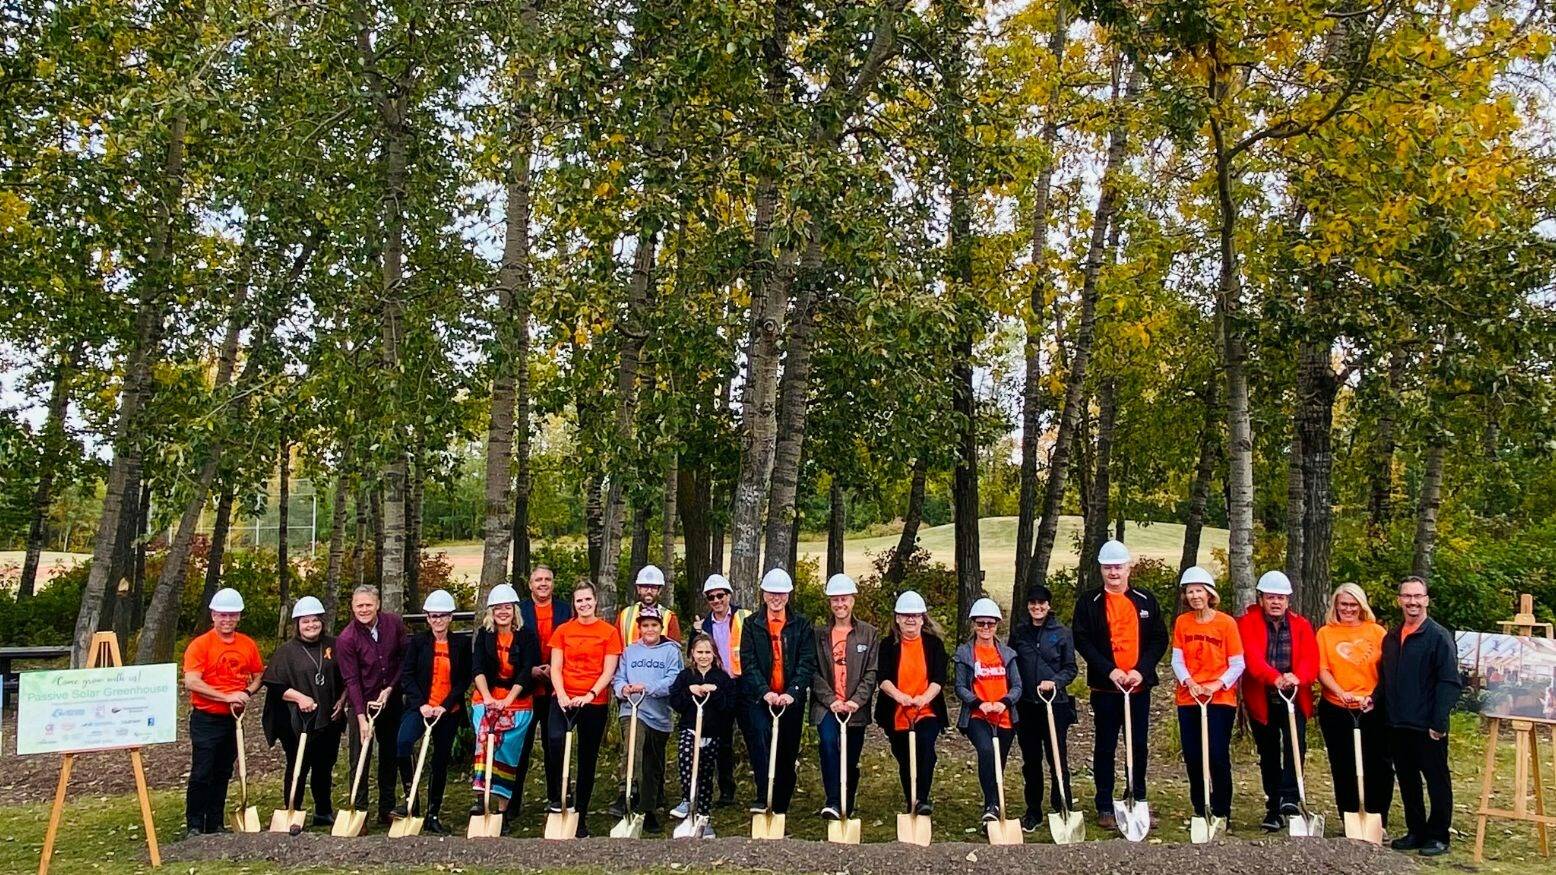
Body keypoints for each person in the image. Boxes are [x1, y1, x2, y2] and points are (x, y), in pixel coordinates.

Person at [1071, 539, 1168, 830]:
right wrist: (1109, 670)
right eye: (1108, 567)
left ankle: (1137, 799)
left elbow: (1159, 639)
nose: (1113, 572)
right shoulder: (1089, 602)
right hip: (1106, 689)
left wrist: (1141, 670)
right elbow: (1082, 640)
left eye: (1118, 567)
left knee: (1137, 745)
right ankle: (1104, 804)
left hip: (1137, 688)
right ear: (1101, 569)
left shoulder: (1145, 599)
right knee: (1105, 746)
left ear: (1128, 568)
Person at [1380, 576, 1461, 857]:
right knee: (1407, 780)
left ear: (1426, 600)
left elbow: (1449, 681)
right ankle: (1416, 830)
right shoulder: (1391, 638)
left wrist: (1439, 722)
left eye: (1417, 596)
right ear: (1399, 600)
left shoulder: (1438, 636)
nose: (1412, 602)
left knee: (1436, 781)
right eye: (1407, 596)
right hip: (1398, 722)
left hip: (1428, 725)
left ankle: (1438, 835)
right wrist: (1375, 703)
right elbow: (1386, 679)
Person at [1238, 570, 1320, 831]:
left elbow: (1311, 659)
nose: (1276, 602)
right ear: (1261, 599)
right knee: (1269, 752)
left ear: (1288, 601)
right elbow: (1251, 658)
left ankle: (1291, 798)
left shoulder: (1301, 625)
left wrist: (1298, 677)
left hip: (1294, 697)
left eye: (1281, 598)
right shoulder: (1247, 624)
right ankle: (1273, 806)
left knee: (1296, 746)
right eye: (1271, 597)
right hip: (1263, 698)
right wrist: (1274, 678)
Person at [183, 587, 264, 837]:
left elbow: (259, 675)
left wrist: (246, 692)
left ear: (238, 617)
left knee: (223, 771)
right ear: (213, 616)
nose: (227, 620)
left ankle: (215, 823)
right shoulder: (201, 645)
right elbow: (192, 681)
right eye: (222, 615)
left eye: (232, 615)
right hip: (206, 718)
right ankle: (194, 824)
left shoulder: (247, 644)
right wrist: (226, 696)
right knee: (202, 771)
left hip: (233, 720)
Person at [547, 580, 624, 837]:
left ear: (595, 601)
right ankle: (561, 796)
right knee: (555, 741)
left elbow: (608, 670)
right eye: (579, 600)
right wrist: (562, 695)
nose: (584, 604)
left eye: (588, 599)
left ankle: (580, 814)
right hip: (564, 698)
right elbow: (556, 667)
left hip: (593, 701)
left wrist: (590, 695)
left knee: (587, 758)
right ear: (574, 603)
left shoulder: (608, 632)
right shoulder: (563, 631)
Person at [261, 596, 345, 829]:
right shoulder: (286, 651)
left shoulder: (334, 645)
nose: (311, 625)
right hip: (295, 720)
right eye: (305, 621)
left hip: (328, 716)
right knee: (298, 765)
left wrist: (342, 700)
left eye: (315, 620)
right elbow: (275, 685)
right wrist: (299, 698)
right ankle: (293, 809)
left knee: (324, 765)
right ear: (297, 624)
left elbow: (348, 676)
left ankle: (323, 811)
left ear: (322, 622)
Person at [739, 567, 816, 819]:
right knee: (761, 742)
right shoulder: (752, 624)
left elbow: (807, 661)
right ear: (763, 594)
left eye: (781, 594)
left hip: (790, 699)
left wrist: (793, 692)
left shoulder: (801, 625)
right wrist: (764, 691)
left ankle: (780, 803)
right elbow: (748, 662)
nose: (776, 598)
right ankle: (764, 795)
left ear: (788, 595)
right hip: (761, 698)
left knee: (787, 750)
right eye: (771, 593)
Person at [1171, 566, 1245, 828]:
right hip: (1189, 697)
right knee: (1193, 755)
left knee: (1216, 754)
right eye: (1190, 592)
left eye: (1199, 591)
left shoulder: (1226, 623)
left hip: (1219, 699)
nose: (1195, 596)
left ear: (1209, 593)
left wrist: (1216, 684)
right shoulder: (1183, 622)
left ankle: (1221, 809)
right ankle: (1200, 807)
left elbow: (1237, 663)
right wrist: (1189, 682)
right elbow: (1177, 659)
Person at [395, 589, 470, 835]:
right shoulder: (417, 643)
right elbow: (407, 676)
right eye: (433, 616)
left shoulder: (461, 644)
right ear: (427, 618)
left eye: (443, 615)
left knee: (440, 760)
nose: (438, 620)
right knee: (403, 743)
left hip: (448, 711)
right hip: (421, 708)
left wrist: (444, 706)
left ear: (451, 617)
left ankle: (433, 813)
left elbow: (463, 680)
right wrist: (422, 705)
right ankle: (410, 799)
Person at [1315, 583, 1392, 825]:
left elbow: (1387, 670)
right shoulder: (1325, 633)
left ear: (1361, 606)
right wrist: (1340, 692)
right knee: (1343, 765)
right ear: (1335, 606)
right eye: (1343, 605)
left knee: (1377, 765)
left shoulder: (1376, 632)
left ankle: (1377, 818)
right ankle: (1349, 817)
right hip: (1337, 708)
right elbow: (1322, 670)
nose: (1348, 609)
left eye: (1353, 604)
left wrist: (1374, 697)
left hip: (1371, 707)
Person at [336, 584, 410, 827]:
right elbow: (351, 680)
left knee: (389, 755)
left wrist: (391, 688)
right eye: (359, 605)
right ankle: (359, 811)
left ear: (377, 604)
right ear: (352, 607)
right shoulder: (347, 638)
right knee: (360, 758)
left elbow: (404, 659)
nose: (364, 609)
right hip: (363, 703)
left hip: (390, 701)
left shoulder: (394, 624)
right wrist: (360, 717)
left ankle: (386, 809)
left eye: (368, 604)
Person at [470, 583, 540, 829]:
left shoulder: (526, 635)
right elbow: (477, 667)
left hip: (517, 699)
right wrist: (488, 698)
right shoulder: (485, 634)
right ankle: (481, 799)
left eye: (507, 607)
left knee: (506, 750)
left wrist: (507, 700)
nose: (503, 612)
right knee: (484, 741)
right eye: (498, 608)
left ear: (514, 610)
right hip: (487, 696)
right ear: (491, 611)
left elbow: (527, 670)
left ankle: (502, 808)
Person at [810, 573, 879, 822]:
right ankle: (832, 800)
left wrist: (855, 701)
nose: (840, 604)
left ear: (852, 600)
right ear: (830, 602)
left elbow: (871, 672)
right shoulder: (818, 634)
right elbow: (813, 671)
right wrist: (831, 700)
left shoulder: (868, 634)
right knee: (829, 745)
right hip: (827, 706)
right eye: (835, 600)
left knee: (850, 756)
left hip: (855, 708)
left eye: (844, 599)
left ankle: (846, 802)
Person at [684, 573, 755, 811]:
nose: (716, 600)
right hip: (718, 686)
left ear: (729, 595)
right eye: (711, 597)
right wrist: (694, 633)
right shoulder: (703, 625)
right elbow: (693, 653)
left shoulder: (744, 617)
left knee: (753, 735)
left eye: (720, 595)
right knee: (722, 741)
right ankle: (726, 791)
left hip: (743, 684)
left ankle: (764, 789)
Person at [1011, 583, 1078, 833]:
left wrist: (1055, 682)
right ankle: (1033, 811)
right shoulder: (1020, 632)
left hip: (1054, 705)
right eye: (1033, 603)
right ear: (1028, 606)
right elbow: (1011, 663)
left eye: (1041, 603)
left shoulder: (1061, 633)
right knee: (1031, 761)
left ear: (1048, 606)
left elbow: (1071, 668)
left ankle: (1062, 804)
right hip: (1027, 705)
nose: (1037, 607)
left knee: (1057, 757)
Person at [610, 607, 683, 833]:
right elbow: (618, 677)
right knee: (634, 748)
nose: (649, 629)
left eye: (654, 625)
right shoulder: (630, 651)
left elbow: (674, 679)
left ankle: (650, 804)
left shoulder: (671, 651)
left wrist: (648, 687)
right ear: (639, 628)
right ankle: (627, 793)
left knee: (653, 762)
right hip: (633, 710)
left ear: (661, 627)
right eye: (645, 625)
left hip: (659, 714)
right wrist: (623, 689)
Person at [875, 590, 948, 816]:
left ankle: (921, 799)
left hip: (926, 709)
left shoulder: (934, 644)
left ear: (923, 619)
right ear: (897, 618)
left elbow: (939, 678)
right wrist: (900, 697)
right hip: (896, 711)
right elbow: (883, 678)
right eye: (905, 615)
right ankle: (912, 800)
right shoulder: (888, 645)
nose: (910, 619)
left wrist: (923, 698)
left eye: (915, 615)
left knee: (926, 750)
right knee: (906, 758)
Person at [956, 598, 1023, 823]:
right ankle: (991, 804)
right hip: (978, 716)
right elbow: (960, 687)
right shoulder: (965, 653)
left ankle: (995, 802)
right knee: (986, 751)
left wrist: (1004, 702)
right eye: (981, 623)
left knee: (998, 760)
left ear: (997, 625)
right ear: (973, 624)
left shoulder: (1007, 654)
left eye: (990, 623)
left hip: (1004, 716)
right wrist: (978, 703)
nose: (985, 627)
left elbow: (1017, 686)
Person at [669, 633, 737, 837]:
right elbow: (676, 702)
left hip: (712, 733)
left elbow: (728, 707)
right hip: (690, 729)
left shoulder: (722, 678)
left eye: (708, 652)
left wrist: (715, 692)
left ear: (714, 654)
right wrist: (689, 691)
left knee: (706, 775)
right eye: (699, 652)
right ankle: (687, 800)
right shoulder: (685, 676)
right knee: (686, 758)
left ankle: (703, 818)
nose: (704, 656)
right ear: (692, 653)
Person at [515, 565, 570, 816]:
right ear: (530, 584)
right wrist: (531, 670)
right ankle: (512, 803)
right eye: (538, 579)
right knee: (521, 747)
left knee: (554, 744)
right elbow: (514, 646)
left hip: (556, 688)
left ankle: (557, 797)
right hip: (526, 688)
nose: (543, 583)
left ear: (553, 583)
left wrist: (554, 670)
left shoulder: (565, 610)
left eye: (548, 579)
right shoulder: (520, 610)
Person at [617, 564, 682, 644]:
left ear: (659, 590)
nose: (649, 591)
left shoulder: (669, 617)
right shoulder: (624, 615)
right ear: (638, 589)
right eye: (645, 586)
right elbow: (615, 646)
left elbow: (674, 648)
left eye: (653, 587)